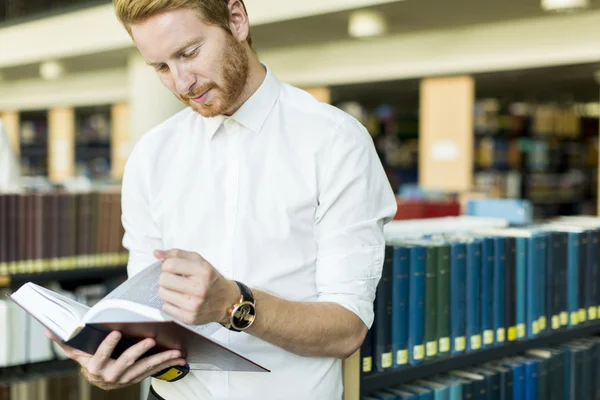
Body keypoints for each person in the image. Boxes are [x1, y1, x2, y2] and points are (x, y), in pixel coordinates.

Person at [48, 1, 398, 399]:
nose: (181, 83)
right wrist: (113, 360)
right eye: (161, 67)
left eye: (189, 53)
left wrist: (234, 303)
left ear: (237, 19)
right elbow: (145, 316)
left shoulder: (335, 141)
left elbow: (346, 329)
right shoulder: (151, 155)